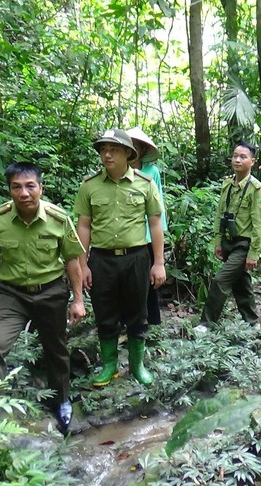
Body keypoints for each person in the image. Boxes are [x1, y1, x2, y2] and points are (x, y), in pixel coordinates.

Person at [0, 162, 86, 436]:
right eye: (17, 187)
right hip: (11, 295)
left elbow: (72, 260)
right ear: (10, 190)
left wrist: (78, 299)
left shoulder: (59, 219)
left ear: (40, 188)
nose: (24, 193)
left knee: (56, 349)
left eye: (30, 186)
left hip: (50, 291)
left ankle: (61, 400)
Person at [74, 128, 166, 387]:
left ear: (128, 153)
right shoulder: (89, 186)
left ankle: (137, 366)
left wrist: (158, 263)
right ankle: (109, 365)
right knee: (105, 312)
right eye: (103, 149)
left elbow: (156, 224)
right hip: (102, 260)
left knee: (138, 312)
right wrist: (83, 265)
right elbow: (84, 227)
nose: (107, 154)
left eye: (113, 149)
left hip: (136, 257)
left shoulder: (144, 184)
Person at [198, 141, 261, 327]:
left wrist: (254, 253)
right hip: (229, 241)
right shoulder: (228, 185)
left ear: (252, 161)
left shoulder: (257, 189)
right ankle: (253, 323)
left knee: (221, 280)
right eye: (235, 156)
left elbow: (259, 225)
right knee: (241, 284)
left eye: (243, 157)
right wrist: (218, 241)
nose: (237, 160)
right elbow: (220, 214)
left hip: (244, 245)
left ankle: (206, 324)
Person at [125, 127, 167, 330]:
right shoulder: (117, 172)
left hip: (148, 235)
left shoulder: (152, 172)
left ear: (142, 149)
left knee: (149, 281)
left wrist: (159, 235)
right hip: (127, 235)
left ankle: (151, 323)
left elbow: (159, 209)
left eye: (136, 145)